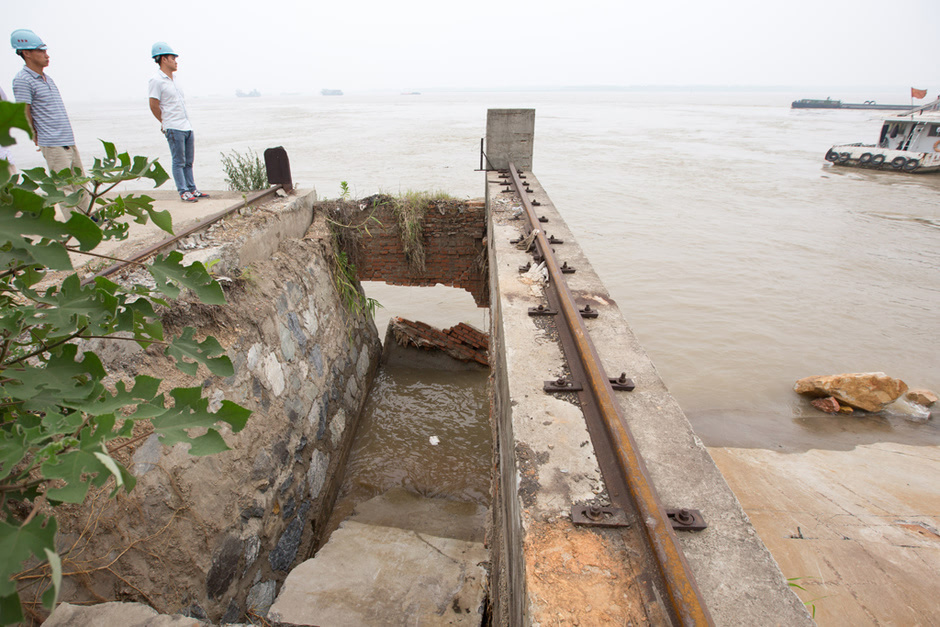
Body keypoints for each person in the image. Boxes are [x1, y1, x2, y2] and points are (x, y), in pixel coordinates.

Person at [11, 28, 88, 218]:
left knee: (80, 184)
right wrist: (35, 135)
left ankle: (88, 221)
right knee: (65, 189)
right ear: (26, 53)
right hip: (52, 142)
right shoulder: (22, 80)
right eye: (41, 51)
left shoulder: (47, 79)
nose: (47, 55)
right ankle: (75, 227)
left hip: (67, 139)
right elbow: (24, 111)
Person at [148, 42, 209, 203]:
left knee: (189, 161)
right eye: (172, 58)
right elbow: (153, 104)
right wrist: (164, 121)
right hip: (173, 126)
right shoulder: (156, 80)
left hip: (186, 125)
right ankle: (183, 191)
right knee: (178, 161)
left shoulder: (175, 79)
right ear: (163, 59)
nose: (176, 61)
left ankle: (192, 188)